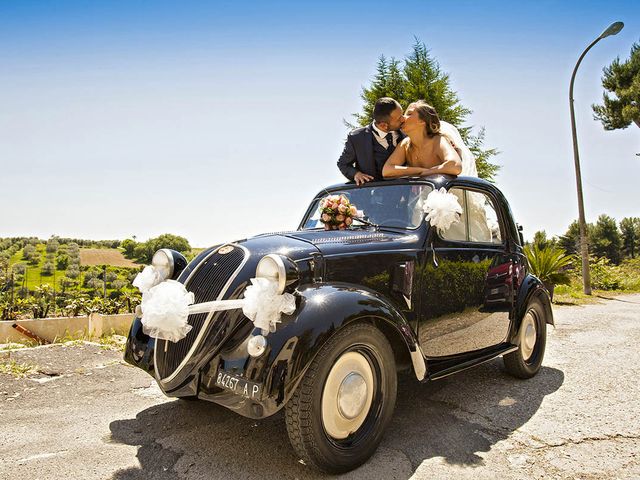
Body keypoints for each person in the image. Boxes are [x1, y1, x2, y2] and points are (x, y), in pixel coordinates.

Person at [382, 101, 463, 179]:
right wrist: (421, 171)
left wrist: (426, 173)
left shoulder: (438, 141)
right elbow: (387, 171)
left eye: (409, 114)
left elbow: (455, 165)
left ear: (422, 121)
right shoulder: (405, 144)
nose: (402, 118)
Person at [337, 97, 405, 185]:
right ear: (384, 125)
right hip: (371, 195)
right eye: (399, 118)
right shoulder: (357, 138)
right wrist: (356, 174)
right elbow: (343, 164)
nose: (403, 119)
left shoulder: (406, 134)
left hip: (404, 193)